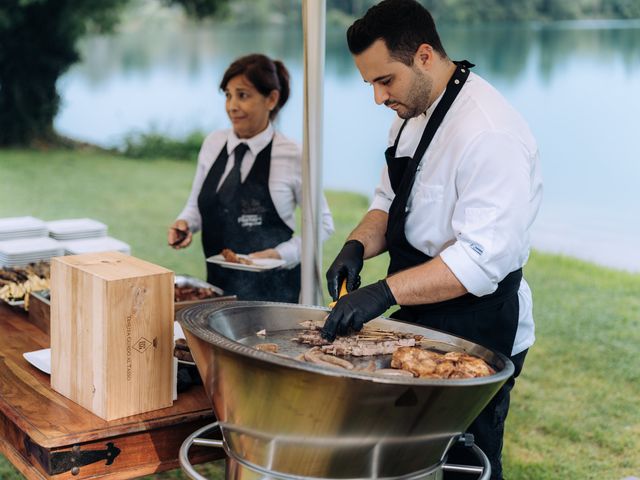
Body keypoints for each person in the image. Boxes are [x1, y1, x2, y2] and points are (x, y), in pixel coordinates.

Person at [321, 1, 542, 478]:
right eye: (370, 84)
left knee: (462, 465)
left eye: (385, 81)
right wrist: (357, 246)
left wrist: (381, 293)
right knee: (401, 458)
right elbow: (388, 200)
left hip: (480, 325)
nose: (379, 98)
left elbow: (477, 262)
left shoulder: (489, 133)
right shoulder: (410, 111)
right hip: (423, 314)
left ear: (424, 56)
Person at [169, 54, 334, 303]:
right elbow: (196, 205)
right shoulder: (213, 144)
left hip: (276, 296)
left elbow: (322, 225)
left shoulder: (293, 154)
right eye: (228, 95)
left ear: (272, 99)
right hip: (218, 292)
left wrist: (279, 255)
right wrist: (185, 224)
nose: (232, 105)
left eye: (242, 95)